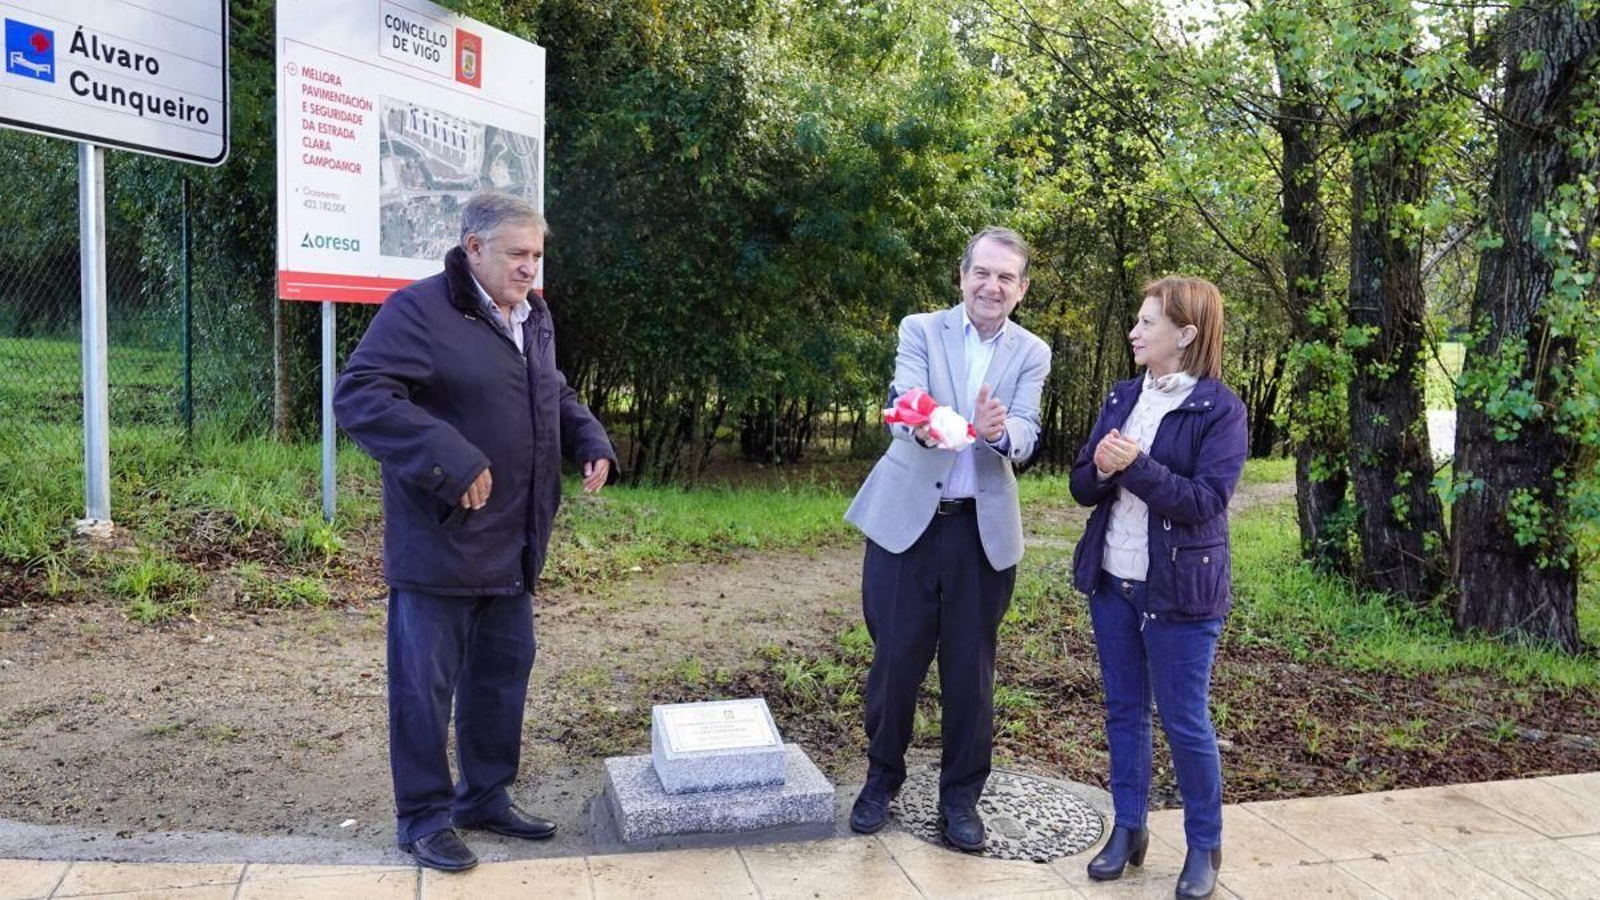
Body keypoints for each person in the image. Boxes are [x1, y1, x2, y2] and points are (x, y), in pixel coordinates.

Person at [333, 191, 615, 873]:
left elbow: (551, 390)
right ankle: (424, 818)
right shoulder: (421, 311)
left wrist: (588, 435)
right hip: (442, 540)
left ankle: (484, 796)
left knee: (500, 676)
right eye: (518, 255)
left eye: (537, 256)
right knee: (424, 689)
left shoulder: (533, 315)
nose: (529, 269)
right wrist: (448, 457)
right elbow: (361, 394)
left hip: (513, 541)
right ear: (474, 249)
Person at [843, 227, 1051, 851]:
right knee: (894, 662)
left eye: (1006, 278)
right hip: (907, 526)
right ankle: (881, 781)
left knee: (971, 672)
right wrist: (945, 423)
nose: (992, 286)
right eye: (982, 273)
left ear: (1021, 289)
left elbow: (1027, 427)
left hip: (980, 534)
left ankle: (961, 799)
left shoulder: (1033, 351)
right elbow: (905, 398)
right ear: (961, 277)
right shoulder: (920, 329)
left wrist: (995, 435)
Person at [1069, 276, 1247, 899]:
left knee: (1183, 720)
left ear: (1186, 335)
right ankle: (1128, 830)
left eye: (1148, 323)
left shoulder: (1219, 409)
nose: (1135, 331)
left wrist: (1134, 465)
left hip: (1180, 594)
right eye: (1138, 321)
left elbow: (1205, 501)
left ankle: (1204, 846)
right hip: (1112, 582)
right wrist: (1098, 467)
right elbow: (1082, 486)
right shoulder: (1123, 397)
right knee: (1123, 712)